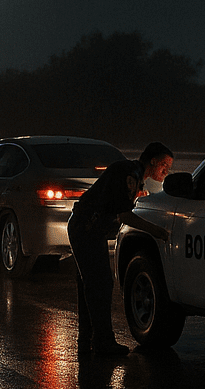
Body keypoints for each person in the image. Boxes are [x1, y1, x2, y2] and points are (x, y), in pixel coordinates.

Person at [67, 141, 174, 356]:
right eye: (164, 164)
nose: (166, 171)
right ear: (152, 161)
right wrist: (158, 231)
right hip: (87, 228)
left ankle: (88, 339)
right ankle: (103, 342)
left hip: (86, 228)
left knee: (90, 285)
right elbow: (124, 215)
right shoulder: (130, 173)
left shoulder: (132, 175)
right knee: (100, 283)